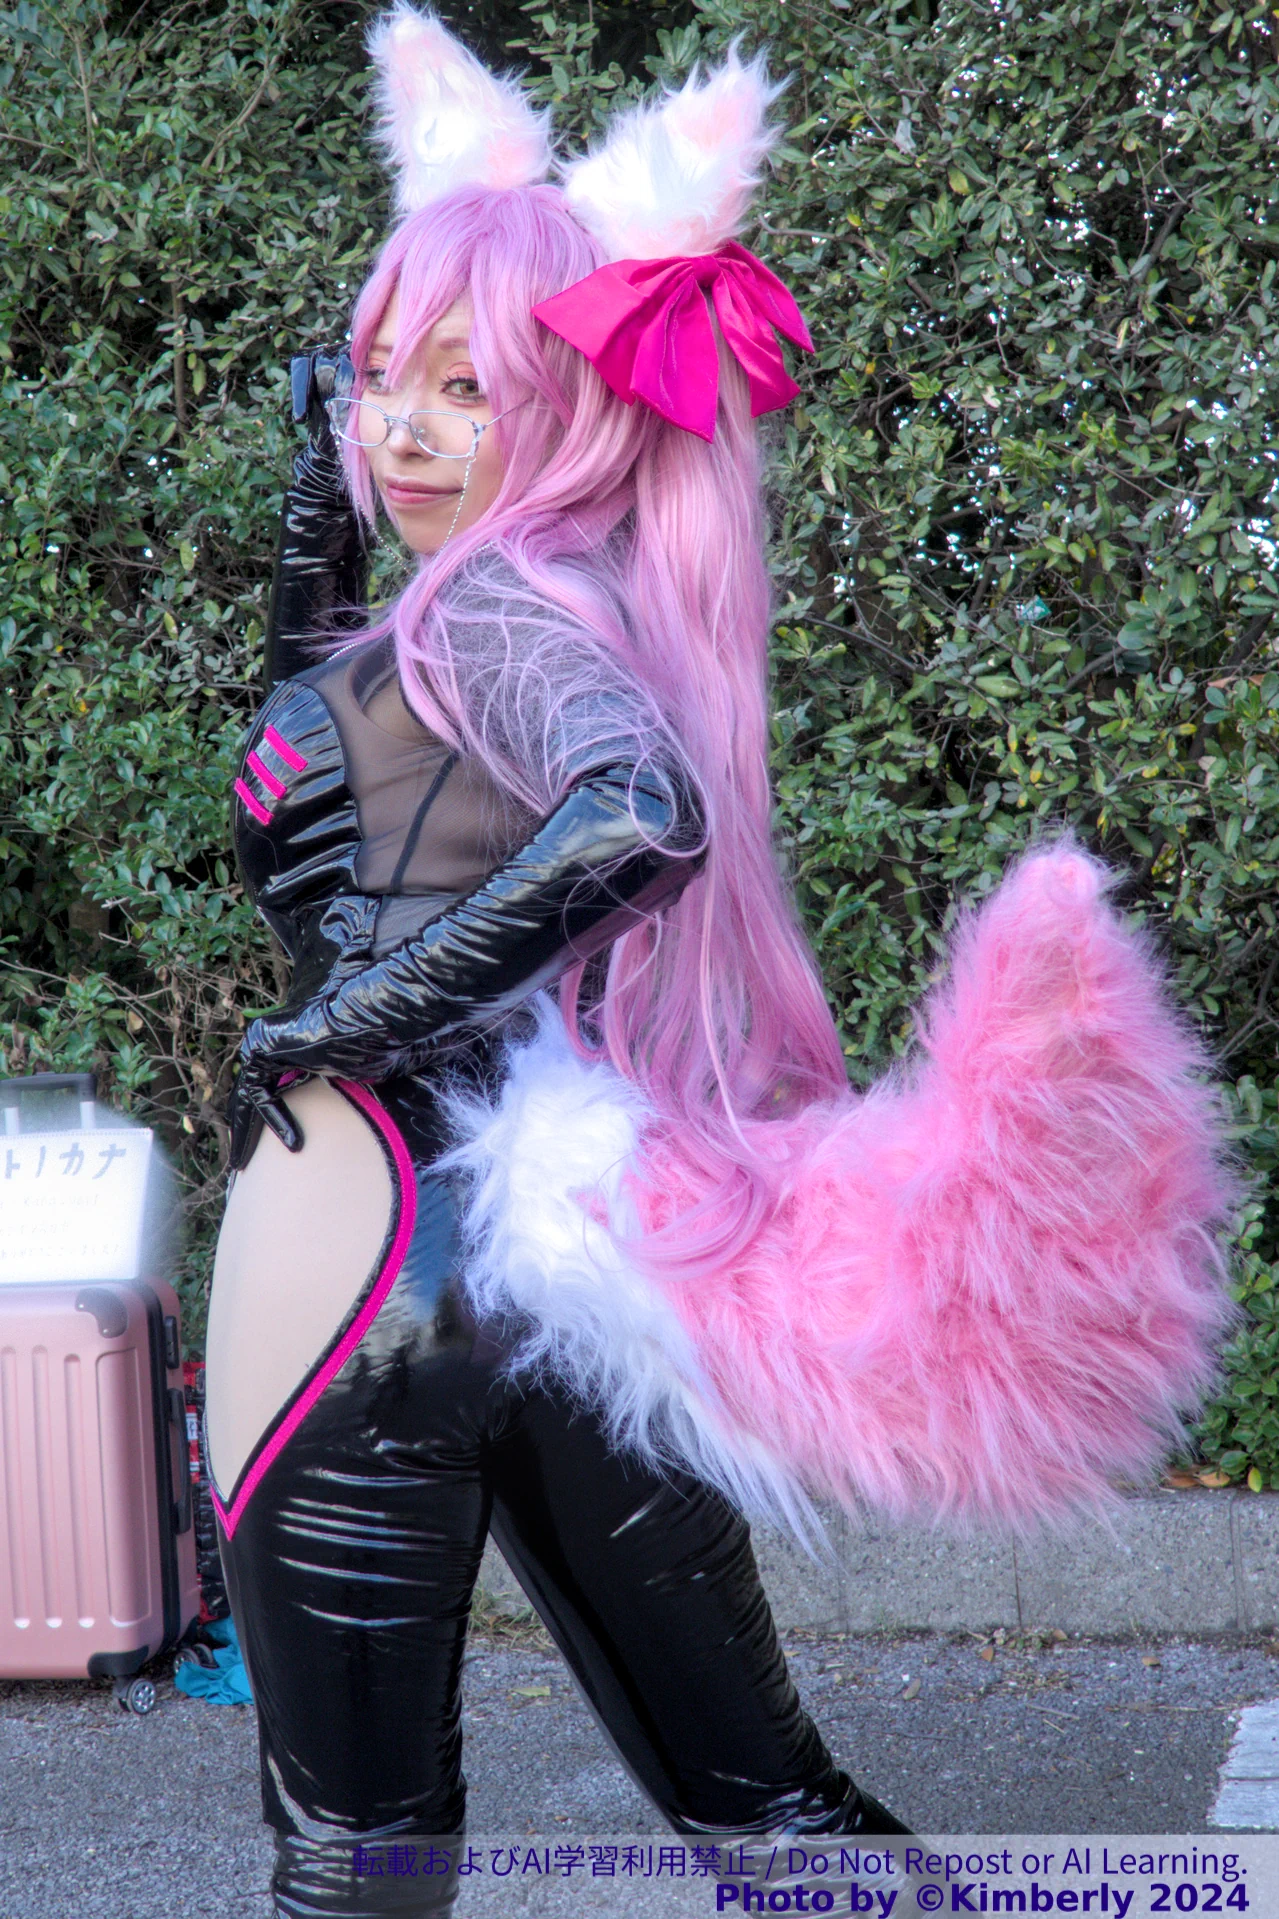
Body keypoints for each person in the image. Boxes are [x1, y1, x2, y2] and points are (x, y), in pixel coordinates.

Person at [203, 10, 1229, 1915]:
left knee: (356, 1852)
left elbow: (640, 813)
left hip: (362, 1249)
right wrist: (309, 535)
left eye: (463, 388)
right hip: (564, 1264)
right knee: (766, 1808)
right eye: (379, 376)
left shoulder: (501, 612)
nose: (399, 427)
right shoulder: (510, 609)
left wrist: (357, 1015)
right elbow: (355, 761)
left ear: (568, 409)